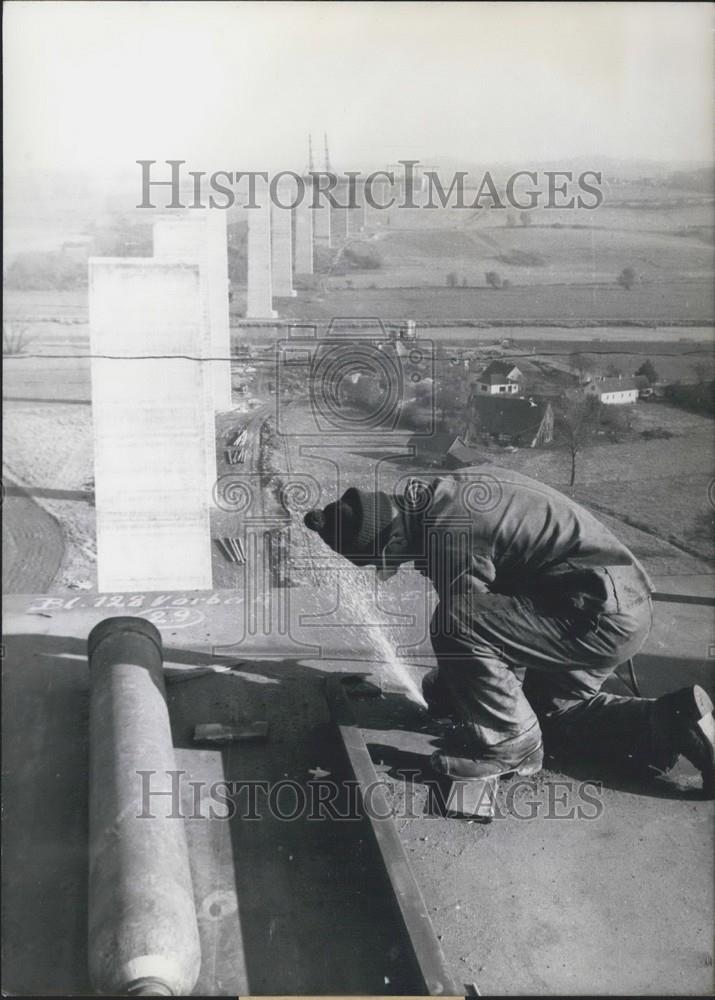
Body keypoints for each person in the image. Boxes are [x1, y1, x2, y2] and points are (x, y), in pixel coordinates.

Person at [304, 466, 714, 796]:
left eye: (385, 562)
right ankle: (669, 719)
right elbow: (499, 618)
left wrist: (457, 696)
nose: (393, 569)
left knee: (453, 620)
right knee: (554, 714)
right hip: (614, 605)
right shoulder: (445, 493)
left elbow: (473, 630)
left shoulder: (448, 535)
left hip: (594, 618)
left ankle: (509, 747)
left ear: (391, 539)